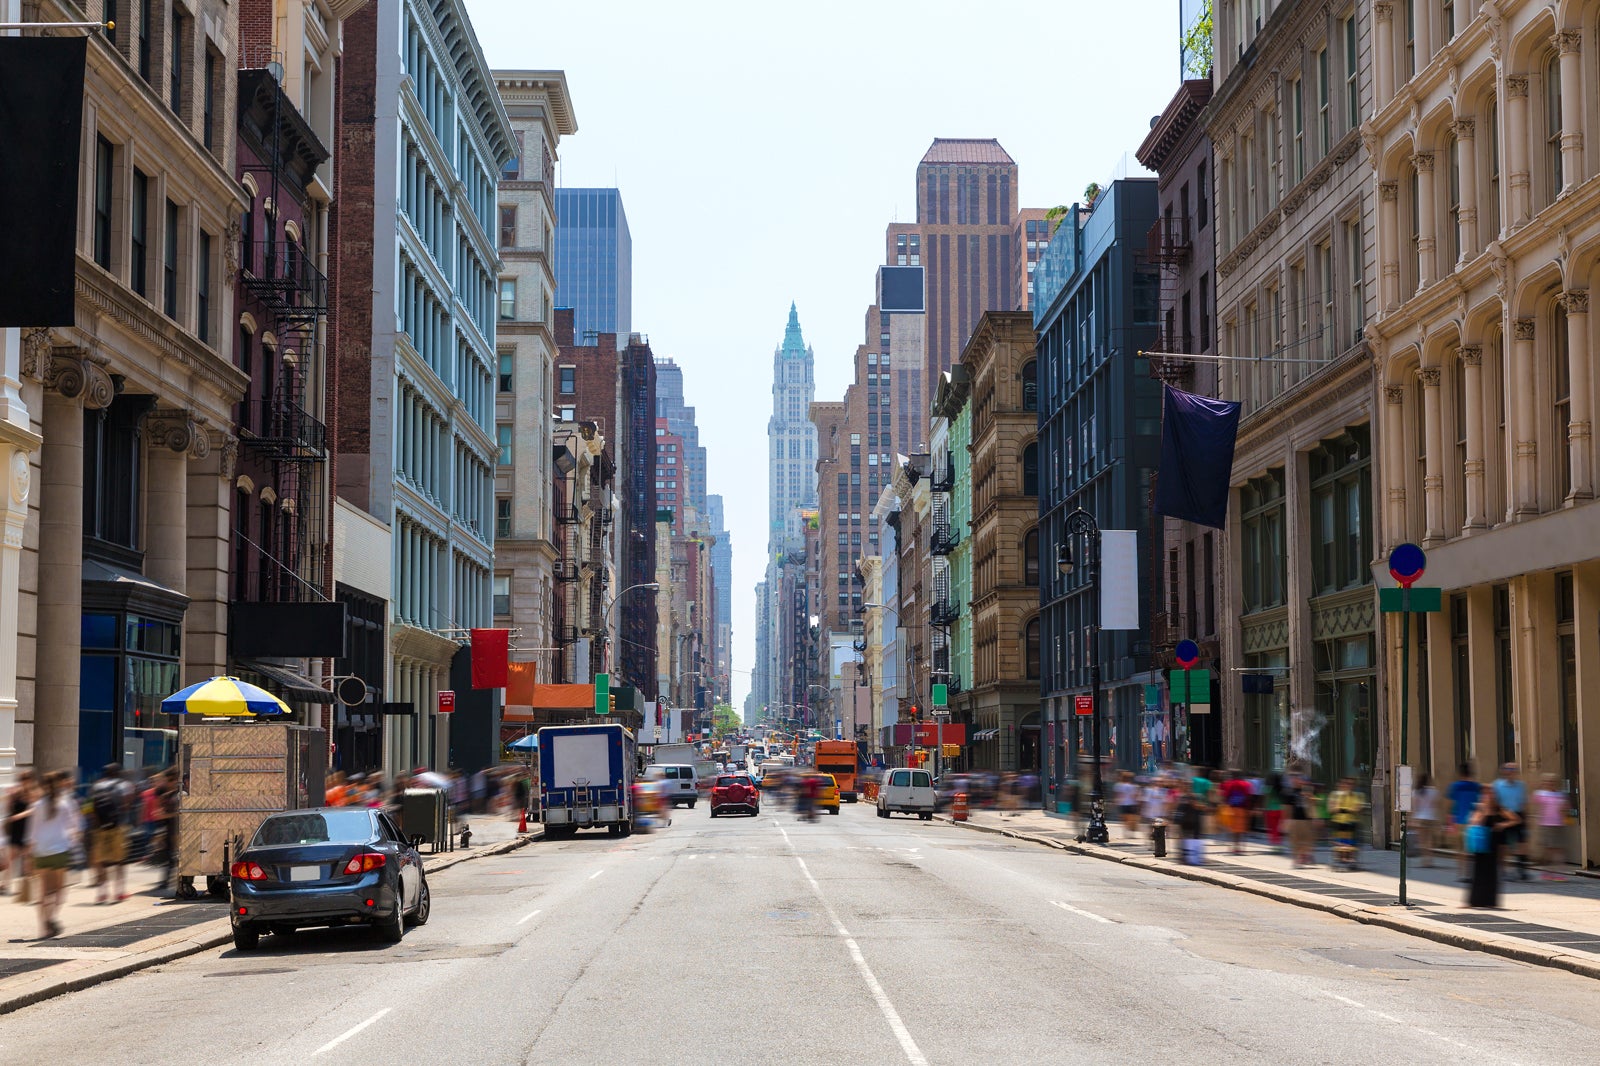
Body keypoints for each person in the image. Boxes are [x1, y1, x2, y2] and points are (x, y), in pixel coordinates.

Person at [27, 771, 82, 939]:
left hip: (41, 851)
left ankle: (43, 928)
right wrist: (72, 843)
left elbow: (32, 832)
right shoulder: (65, 804)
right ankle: (52, 918)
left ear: (43, 786)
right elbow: (74, 827)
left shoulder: (36, 805)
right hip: (60, 850)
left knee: (43, 892)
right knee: (59, 890)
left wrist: (29, 854)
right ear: (58, 785)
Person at [1464, 792, 1519, 909]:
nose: (1488, 799)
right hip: (1481, 843)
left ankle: (1490, 901)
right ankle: (1475, 901)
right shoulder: (1480, 809)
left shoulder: (1500, 809)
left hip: (1494, 843)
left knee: (1492, 871)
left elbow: (1516, 819)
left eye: (1490, 797)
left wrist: (1503, 825)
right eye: (1486, 796)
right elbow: (1473, 822)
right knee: (1478, 872)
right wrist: (1483, 812)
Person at [87, 763, 133, 904]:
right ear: (118, 773)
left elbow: (90, 808)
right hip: (118, 827)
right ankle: (119, 892)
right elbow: (127, 805)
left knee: (101, 862)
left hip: (100, 828)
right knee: (120, 861)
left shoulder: (96, 786)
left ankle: (102, 893)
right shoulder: (124, 785)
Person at [1491, 762, 1529, 881]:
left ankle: (1521, 870)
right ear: (1504, 771)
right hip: (1503, 814)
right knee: (1502, 846)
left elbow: (1524, 802)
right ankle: (1502, 870)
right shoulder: (1497, 785)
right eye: (1509, 769)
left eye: (1514, 769)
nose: (1512, 771)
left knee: (1522, 844)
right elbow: (1495, 802)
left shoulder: (1521, 785)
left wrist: (1525, 818)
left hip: (1518, 814)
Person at [3, 769, 36, 896]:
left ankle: (27, 888)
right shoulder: (16, 793)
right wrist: (9, 799)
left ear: (30, 780)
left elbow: (34, 810)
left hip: (27, 828)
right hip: (15, 829)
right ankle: (6, 885)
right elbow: (8, 809)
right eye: (22, 780)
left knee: (27, 860)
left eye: (26, 779)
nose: (24, 782)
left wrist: (20, 815)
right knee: (10, 859)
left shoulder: (33, 794)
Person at [1446, 763, 1482, 882]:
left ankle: (1462, 873)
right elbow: (1479, 804)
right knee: (1472, 849)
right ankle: (1471, 873)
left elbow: (1451, 805)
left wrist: (1450, 822)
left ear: (1460, 773)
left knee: (1461, 850)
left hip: (1459, 821)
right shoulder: (1476, 786)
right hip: (1473, 821)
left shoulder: (1455, 786)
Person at [1531, 774, 1568, 880]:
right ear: (1543, 783)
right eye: (1547, 781)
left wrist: (1564, 811)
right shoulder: (1540, 794)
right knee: (1548, 850)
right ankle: (1547, 872)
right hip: (1546, 825)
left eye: (1552, 781)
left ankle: (1559, 873)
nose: (1550, 783)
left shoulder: (1560, 795)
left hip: (1559, 824)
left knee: (1558, 850)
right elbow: (1534, 804)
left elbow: (1566, 808)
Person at [1327, 778, 1365, 870]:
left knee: (1350, 843)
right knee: (1340, 843)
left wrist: (1341, 809)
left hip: (1351, 822)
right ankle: (1340, 860)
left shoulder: (1356, 796)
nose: (1348, 786)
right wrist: (1347, 810)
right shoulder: (1335, 795)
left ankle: (1349, 860)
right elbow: (1332, 809)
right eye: (1346, 784)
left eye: (1350, 784)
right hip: (1338, 822)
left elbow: (1358, 808)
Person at [1219, 771, 1252, 854]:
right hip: (1243, 809)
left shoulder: (1229, 784)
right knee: (1242, 829)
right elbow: (1249, 796)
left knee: (1233, 830)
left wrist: (1225, 806)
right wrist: (1249, 809)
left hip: (1232, 809)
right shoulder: (1246, 784)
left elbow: (1225, 796)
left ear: (1232, 776)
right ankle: (1241, 847)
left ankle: (1234, 847)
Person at [1413, 772, 1441, 867]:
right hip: (1431, 817)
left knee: (1422, 841)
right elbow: (1436, 805)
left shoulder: (1416, 792)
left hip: (1421, 818)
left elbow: (1415, 807)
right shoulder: (1433, 792)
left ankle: (1424, 861)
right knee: (1429, 840)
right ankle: (1430, 860)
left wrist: (1413, 819)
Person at [1114, 771, 1140, 840]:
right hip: (1131, 804)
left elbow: (1118, 795)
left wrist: (1117, 802)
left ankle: (1125, 833)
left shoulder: (1118, 785)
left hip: (1123, 804)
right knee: (1131, 820)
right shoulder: (1133, 786)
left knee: (1124, 820)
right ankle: (1131, 834)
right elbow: (1135, 796)